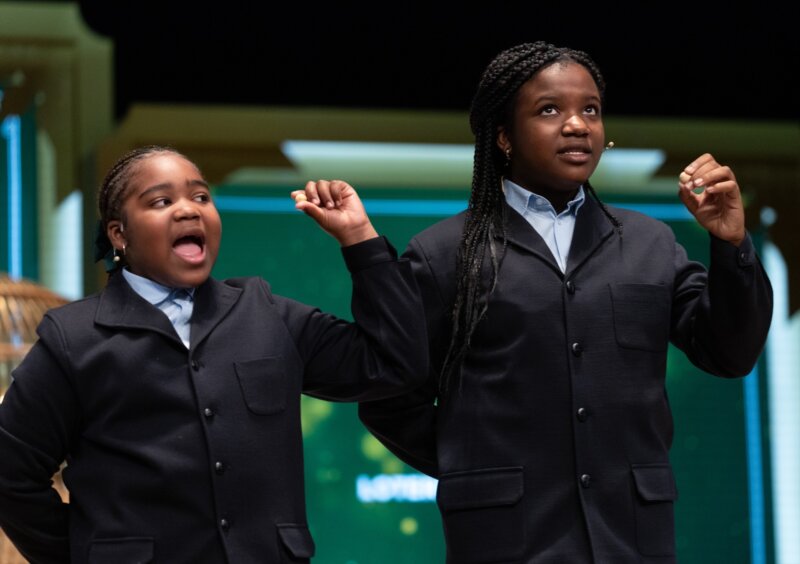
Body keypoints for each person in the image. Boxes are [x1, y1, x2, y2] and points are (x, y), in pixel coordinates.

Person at [358, 41, 773, 563]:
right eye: (550, 110)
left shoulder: (649, 242)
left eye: (591, 110)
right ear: (504, 136)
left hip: (632, 541)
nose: (577, 125)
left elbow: (730, 353)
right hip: (506, 543)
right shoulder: (443, 253)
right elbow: (389, 397)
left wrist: (731, 245)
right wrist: (474, 467)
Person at [0, 145, 428, 563]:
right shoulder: (74, 337)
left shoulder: (267, 314)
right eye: (162, 201)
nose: (189, 210)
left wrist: (359, 238)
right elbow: (10, 473)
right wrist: (88, 551)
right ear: (119, 233)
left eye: (201, 197)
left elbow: (392, 363)